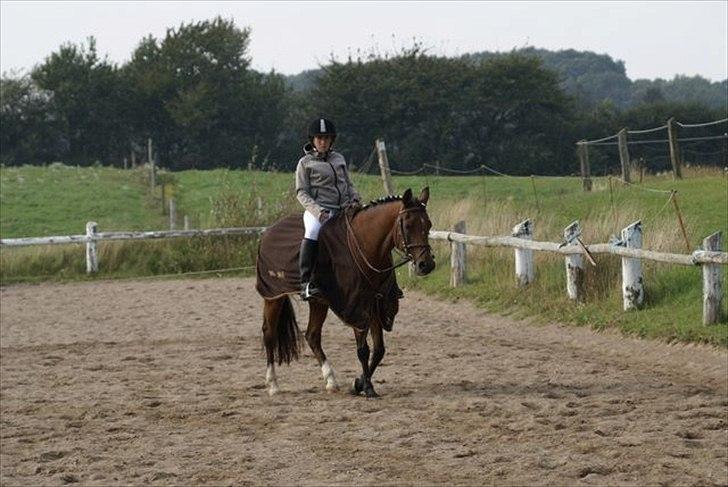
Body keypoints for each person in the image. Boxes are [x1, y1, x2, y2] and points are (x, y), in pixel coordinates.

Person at [295, 117, 362, 300]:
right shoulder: (305, 163)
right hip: (318, 211)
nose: (323, 142)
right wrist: (318, 212)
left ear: (332, 140)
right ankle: (306, 282)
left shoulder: (338, 158)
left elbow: (348, 184)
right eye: (319, 138)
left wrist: (355, 198)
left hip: (343, 209)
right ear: (313, 141)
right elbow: (301, 192)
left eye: (326, 138)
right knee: (313, 230)